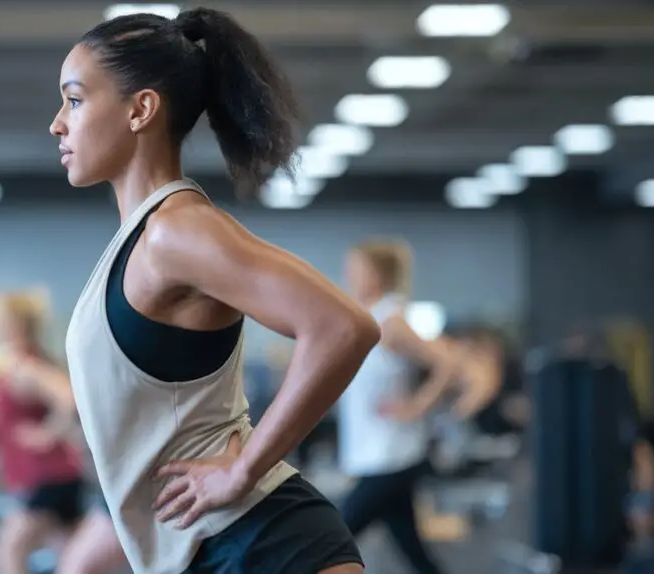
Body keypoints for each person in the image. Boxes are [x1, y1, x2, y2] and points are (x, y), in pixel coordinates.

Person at [50, 7, 381, 574]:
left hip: (264, 543)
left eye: (75, 100)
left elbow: (343, 327)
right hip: (207, 548)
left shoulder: (177, 232)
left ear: (141, 109)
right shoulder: (142, 239)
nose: (58, 123)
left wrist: (243, 467)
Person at [337, 239, 454, 574]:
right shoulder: (370, 316)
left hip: (390, 458)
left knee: (328, 541)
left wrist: (416, 406)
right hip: (382, 456)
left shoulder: (391, 321)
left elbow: (445, 364)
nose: (349, 276)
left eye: (356, 270)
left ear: (377, 275)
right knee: (414, 552)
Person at [0, 292, 107, 574]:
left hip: (47, 476)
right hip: (56, 473)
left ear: (13, 324)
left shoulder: (21, 364)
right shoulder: (23, 359)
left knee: (8, 549)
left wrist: (48, 434)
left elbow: (70, 398)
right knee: (71, 559)